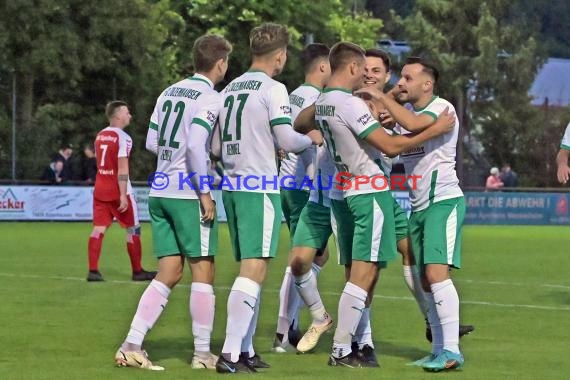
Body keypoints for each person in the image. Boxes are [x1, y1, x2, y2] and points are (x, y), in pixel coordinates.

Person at [314, 43, 455, 368]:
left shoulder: (323, 102)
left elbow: (302, 121)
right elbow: (390, 147)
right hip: (370, 191)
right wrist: (433, 130)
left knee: (363, 269)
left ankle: (349, 347)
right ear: (351, 68)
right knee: (365, 272)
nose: (365, 76)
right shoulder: (349, 104)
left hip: (348, 190)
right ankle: (342, 350)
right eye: (362, 70)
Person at [114, 35, 232, 371]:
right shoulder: (211, 97)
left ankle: (131, 344)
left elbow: (152, 141)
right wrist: (205, 192)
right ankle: (202, 353)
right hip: (186, 193)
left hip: (161, 188)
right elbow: (196, 147)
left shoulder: (169, 92)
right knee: (203, 269)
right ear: (220, 63)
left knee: (169, 270)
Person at [211, 23, 323, 374]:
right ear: (280, 55)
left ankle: (245, 351)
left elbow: (214, 146)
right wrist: (313, 139)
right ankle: (230, 353)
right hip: (258, 187)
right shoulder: (273, 88)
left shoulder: (229, 88)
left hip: (231, 187)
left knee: (253, 271)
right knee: (254, 269)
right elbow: (288, 140)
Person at [357, 56, 466, 371]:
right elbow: (395, 142)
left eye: (407, 78)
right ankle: (438, 350)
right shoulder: (411, 115)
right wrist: (389, 108)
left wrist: (380, 95)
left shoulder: (441, 107)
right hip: (419, 206)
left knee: (435, 274)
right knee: (426, 281)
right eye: (400, 78)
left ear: (427, 83)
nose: (400, 83)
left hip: (442, 201)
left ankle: (453, 351)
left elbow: (416, 125)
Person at [273, 43, 332, 354]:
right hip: (304, 187)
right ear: (323, 67)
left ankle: (291, 324)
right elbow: (313, 143)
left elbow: (279, 135)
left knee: (317, 257)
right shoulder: (315, 100)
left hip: (288, 183)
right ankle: (284, 330)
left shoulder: (292, 95)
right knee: (300, 259)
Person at [86, 101, 156, 282]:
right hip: (117, 190)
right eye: (127, 112)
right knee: (133, 229)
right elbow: (122, 169)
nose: (130, 115)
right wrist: (123, 194)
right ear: (117, 116)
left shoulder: (100, 135)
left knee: (99, 229)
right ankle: (137, 271)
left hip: (100, 188)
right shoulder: (123, 137)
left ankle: (93, 271)